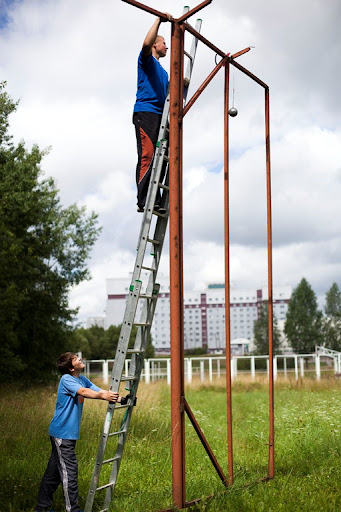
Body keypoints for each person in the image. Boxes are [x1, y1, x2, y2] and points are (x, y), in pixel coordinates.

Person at [34, 352, 128, 512]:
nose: (80, 360)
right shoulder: (67, 380)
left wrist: (120, 399)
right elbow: (85, 393)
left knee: (54, 473)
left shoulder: (81, 379)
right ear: (71, 367)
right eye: (76, 359)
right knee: (69, 471)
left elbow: (97, 389)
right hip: (62, 434)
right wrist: (104, 396)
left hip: (67, 434)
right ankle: (73, 509)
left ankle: (41, 508)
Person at [133, 15, 172, 213]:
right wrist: (159, 20)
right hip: (145, 112)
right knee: (148, 154)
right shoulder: (146, 61)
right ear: (156, 45)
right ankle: (143, 199)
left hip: (160, 116)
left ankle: (155, 198)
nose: (167, 47)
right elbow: (145, 43)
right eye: (164, 43)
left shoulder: (164, 73)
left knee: (162, 155)